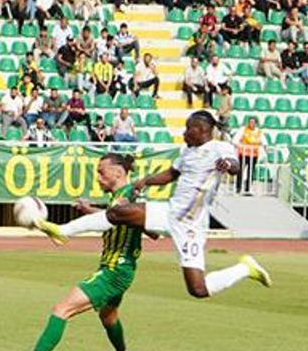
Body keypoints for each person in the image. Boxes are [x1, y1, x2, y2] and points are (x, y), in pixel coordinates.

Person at [36, 111, 272, 299]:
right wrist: (144, 181)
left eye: (188, 128)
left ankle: (245, 268)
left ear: (202, 130)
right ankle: (62, 231)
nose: (184, 132)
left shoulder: (220, 147)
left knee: (198, 289)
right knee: (119, 213)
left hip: (191, 224)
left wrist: (227, 165)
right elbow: (171, 173)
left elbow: (236, 165)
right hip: (170, 211)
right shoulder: (187, 151)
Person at [5, 153, 144, 351]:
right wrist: (89, 210)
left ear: (118, 172)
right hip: (119, 268)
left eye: (101, 172)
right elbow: (114, 217)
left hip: (114, 270)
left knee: (62, 309)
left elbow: (132, 218)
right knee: (108, 315)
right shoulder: (120, 198)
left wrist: (45, 225)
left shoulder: (128, 196)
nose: (98, 178)